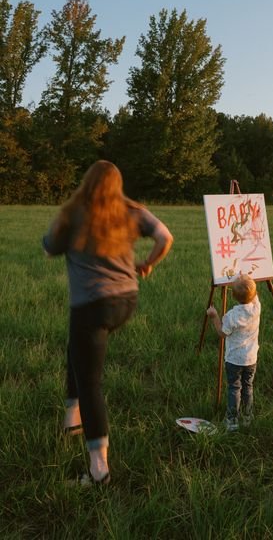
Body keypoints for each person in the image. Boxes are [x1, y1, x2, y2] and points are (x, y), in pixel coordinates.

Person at [43, 160, 173, 484]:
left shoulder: (73, 213)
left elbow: (49, 249)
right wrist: (147, 264)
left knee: (90, 383)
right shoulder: (131, 211)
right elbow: (165, 237)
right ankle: (72, 419)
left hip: (92, 307)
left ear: (86, 182)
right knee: (76, 348)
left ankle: (99, 471)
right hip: (126, 301)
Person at [207, 274, 261, 431]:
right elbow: (254, 293)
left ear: (232, 295)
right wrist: (247, 279)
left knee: (234, 388)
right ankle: (247, 416)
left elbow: (222, 333)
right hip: (251, 359)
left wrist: (214, 316)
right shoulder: (257, 308)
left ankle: (232, 420)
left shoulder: (232, 316)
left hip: (234, 360)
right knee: (248, 386)